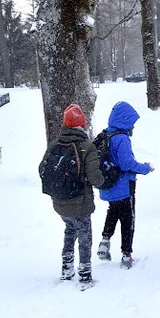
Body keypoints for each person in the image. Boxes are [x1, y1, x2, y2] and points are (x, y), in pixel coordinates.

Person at [40, 104, 104, 289]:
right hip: (80, 201)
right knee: (84, 235)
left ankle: (66, 269)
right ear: (82, 125)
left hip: (59, 201)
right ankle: (84, 275)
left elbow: (42, 169)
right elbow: (95, 178)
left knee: (69, 229)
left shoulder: (55, 144)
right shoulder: (86, 147)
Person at [97, 101, 154, 270]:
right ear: (125, 121)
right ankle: (126, 254)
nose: (133, 127)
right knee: (128, 219)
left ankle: (105, 242)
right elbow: (127, 163)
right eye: (131, 123)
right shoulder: (122, 139)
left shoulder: (105, 135)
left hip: (107, 185)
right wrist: (145, 168)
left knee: (113, 212)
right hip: (123, 185)